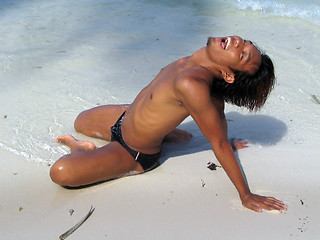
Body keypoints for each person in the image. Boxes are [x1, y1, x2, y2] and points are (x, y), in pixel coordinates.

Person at [50, 36, 287, 213]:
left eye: (242, 53)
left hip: (132, 151)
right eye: (244, 42)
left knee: (60, 173)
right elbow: (198, 107)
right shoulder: (192, 61)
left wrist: (245, 195)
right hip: (123, 119)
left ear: (228, 75)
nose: (237, 41)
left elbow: (218, 139)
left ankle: (83, 150)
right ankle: (167, 131)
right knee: (81, 121)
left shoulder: (193, 84)